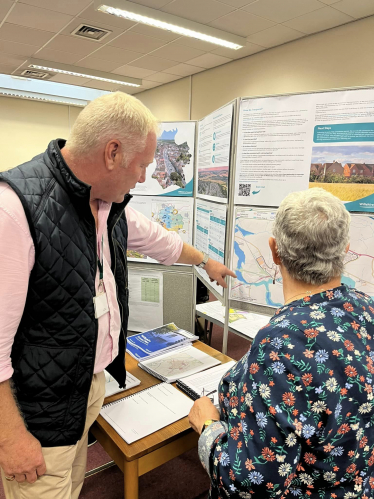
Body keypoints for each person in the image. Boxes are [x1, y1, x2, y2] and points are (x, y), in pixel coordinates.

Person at [0, 91, 236, 499]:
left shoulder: (108, 203)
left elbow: (162, 242)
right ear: (112, 153)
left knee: (72, 485)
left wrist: (205, 263)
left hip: (84, 389)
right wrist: (10, 439)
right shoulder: (14, 209)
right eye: (142, 164)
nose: (144, 176)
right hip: (38, 413)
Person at [189, 188, 374, 499]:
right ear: (346, 249)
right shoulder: (366, 308)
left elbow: (249, 485)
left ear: (274, 251)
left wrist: (208, 428)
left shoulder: (279, 344)